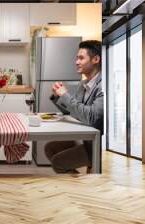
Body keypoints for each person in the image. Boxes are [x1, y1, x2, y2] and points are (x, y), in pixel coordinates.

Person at [46, 40, 103, 174]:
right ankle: (80, 184)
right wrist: (57, 97)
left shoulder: (102, 86)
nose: (76, 62)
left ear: (96, 59)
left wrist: (65, 95)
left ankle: (78, 190)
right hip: (87, 141)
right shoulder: (83, 84)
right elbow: (74, 112)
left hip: (97, 146)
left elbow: (91, 117)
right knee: (50, 148)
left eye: (81, 58)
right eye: (77, 58)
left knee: (58, 162)